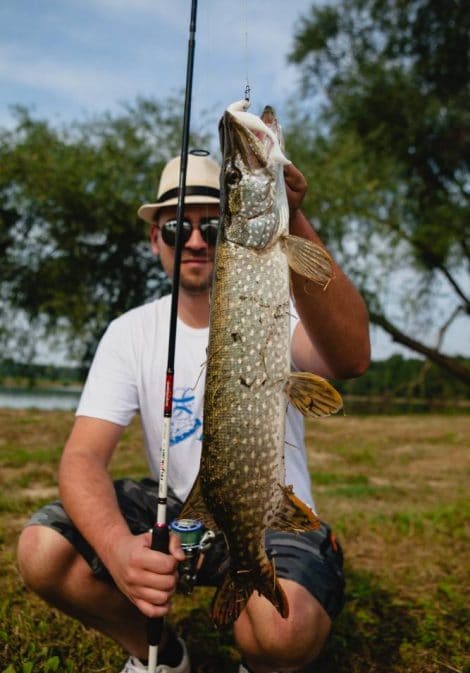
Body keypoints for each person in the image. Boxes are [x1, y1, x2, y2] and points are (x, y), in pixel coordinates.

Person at [17, 150, 370, 673]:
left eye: (214, 225)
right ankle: (159, 654)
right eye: (178, 227)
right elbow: (82, 458)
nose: (198, 241)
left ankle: (268, 644)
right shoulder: (128, 333)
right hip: (183, 508)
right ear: (155, 238)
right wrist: (117, 550)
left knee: (282, 631)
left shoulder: (280, 309)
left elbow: (350, 357)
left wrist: (289, 214)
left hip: (270, 506)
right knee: (43, 550)